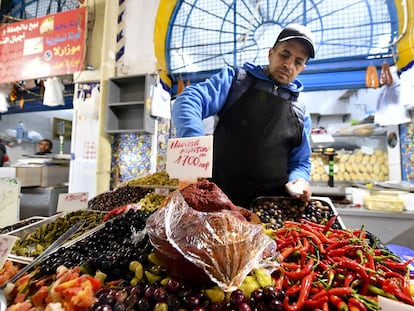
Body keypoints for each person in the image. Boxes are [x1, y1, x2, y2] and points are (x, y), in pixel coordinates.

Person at [172, 24, 315, 208]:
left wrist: (300, 179)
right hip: (219, 203)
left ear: (302, 68)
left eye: (298, 61)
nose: (288, 65)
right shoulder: (236, 81)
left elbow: (301, 161)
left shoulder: (301, 113)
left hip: (269, 209)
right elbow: (188, 100)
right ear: (271, 53)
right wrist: (194, 145)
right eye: (284, 55)